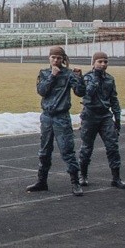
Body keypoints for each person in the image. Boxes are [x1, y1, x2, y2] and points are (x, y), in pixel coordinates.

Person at [26, 46, 86, 196]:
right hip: (47, 116)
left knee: (67, 150)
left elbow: (80, 92)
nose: (56, 60)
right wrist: (52, 76)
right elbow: (41, 91)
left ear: (63, 59)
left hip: (61, 117)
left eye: (59, 58)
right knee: (44, 151)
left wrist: (79, 78)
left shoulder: (68, 74)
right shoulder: (44, 73)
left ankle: (75, 183)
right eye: (53, 57)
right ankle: (42, 181)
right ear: (49, 58)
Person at [78, 52, 125, 189]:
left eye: (105, 62)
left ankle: (116, 178)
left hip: (105, 116)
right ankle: (82, 175)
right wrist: (95, 79)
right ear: (93, 63)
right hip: (90, 115)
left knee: (112, 147)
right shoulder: (87, 78)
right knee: (86, 148)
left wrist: (117, 119)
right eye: (100, 61)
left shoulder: (110, 79)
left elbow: (114, 99)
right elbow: (86, 94)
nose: (103, 64)